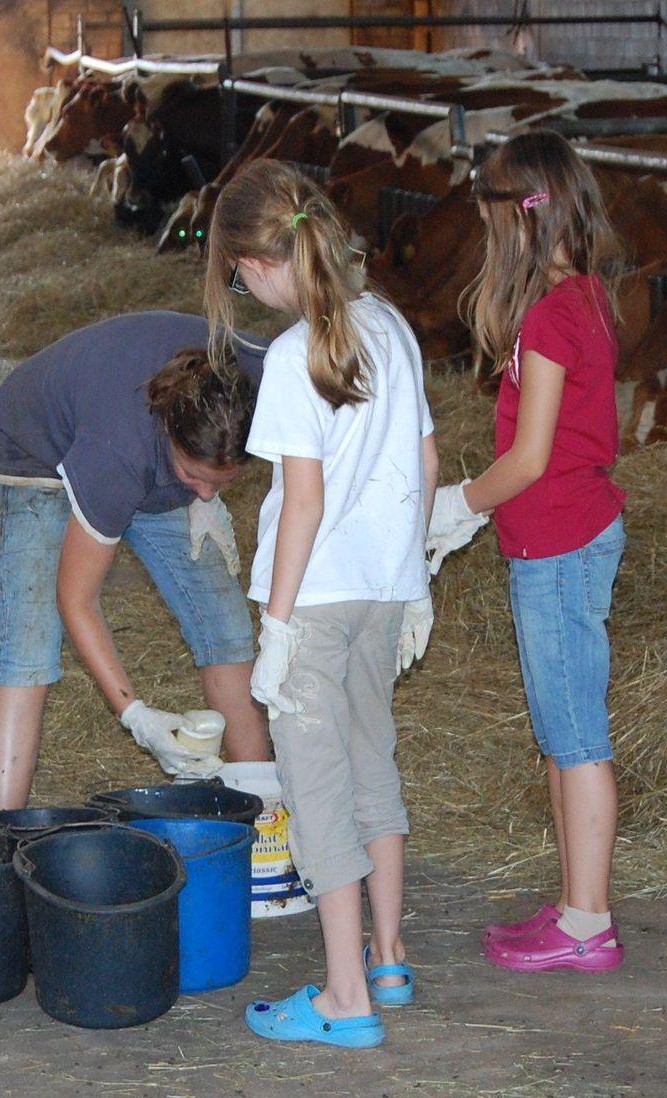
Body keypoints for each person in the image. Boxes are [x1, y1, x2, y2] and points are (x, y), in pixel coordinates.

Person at [204, 162, 437, 1049]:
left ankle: (345, 997)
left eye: (238, 275)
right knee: (374, 763)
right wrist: (415, 579)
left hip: (316, 603)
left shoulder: (294, 358)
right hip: (382, 593)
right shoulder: (392, 327)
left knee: (320, 791)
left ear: (259, 264)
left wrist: (276, 626)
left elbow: (301, 503)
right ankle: (388, 955)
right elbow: (425, 466)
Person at [425, 131, 628, 974]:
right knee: (559, 729)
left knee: (576, 734)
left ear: (520, 216)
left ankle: (590, 923)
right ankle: (575, 900)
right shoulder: (583, 297)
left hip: (559, 542)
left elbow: (531, 458)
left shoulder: (549, 319)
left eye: (488, 217)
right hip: (563, 535)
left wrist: (457, 505)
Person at [0, 312, 271, 810]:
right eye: (196, 477)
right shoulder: (117, 454)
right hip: (36, 451)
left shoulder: (260, 379)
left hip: (143, 453)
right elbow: (77, 600)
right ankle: (3, 829)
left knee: (225, 627)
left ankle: (261, 808)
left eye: (221, 482)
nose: (206, 491)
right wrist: (135, 714)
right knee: (30, 646)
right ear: (169, 433)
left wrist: (201, 492)